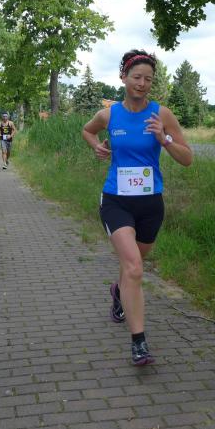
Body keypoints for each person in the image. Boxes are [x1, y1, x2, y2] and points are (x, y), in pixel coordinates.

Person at [82, 49, 193, 366]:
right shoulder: (109, 115)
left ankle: (119, 292)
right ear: (123, 78)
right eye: (137, 77)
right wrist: (97, 147)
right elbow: (87, 130)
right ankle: (139, 343)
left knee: (133, 265)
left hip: (150, 204)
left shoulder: (162, 115)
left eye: (148, 79)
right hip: (116, 200)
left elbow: (187, 158)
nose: (142, 84)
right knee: (133, 267)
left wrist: (164, 140)